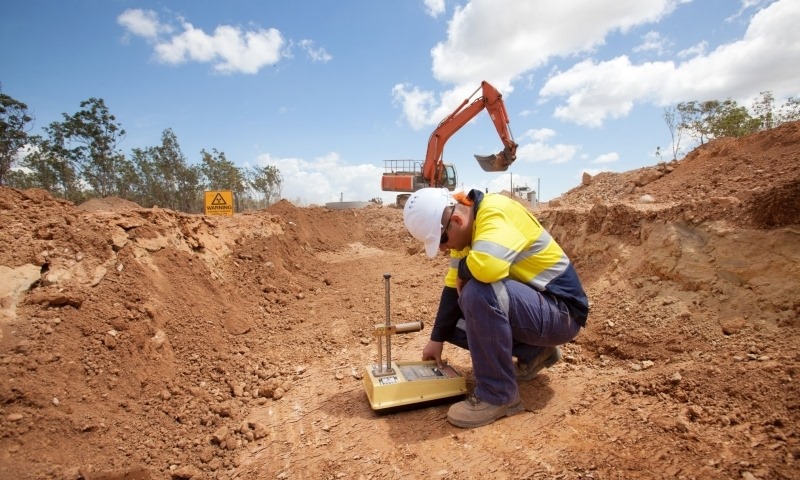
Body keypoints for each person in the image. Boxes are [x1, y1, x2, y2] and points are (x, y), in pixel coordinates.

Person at [403, 187, 589, 428]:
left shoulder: (494, 212)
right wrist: (437, 338)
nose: (443, 249)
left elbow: (488, 268)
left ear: (457, 220)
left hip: (562, 312)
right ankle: (535, 353)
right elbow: (451, 289)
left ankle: (497, 394)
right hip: (538, 311)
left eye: (441, 241)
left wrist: (463, 273)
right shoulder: (467, 234)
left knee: (478, 291)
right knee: (454, 322)